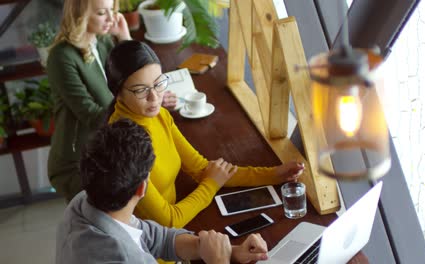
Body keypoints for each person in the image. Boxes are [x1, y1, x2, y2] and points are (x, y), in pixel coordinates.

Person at [105, 40, 306, 228]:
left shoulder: (159, 116)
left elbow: (202, 169)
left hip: (174, 233)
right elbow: (170, 220)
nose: (154, 97)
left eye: (158, 84)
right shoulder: (121, 148)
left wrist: (273, 174)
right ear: (118, 92)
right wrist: (211, 185)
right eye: (141, 90)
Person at [56, 118, 269, 264]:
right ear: (142, 188)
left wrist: (227, 250)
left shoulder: (83, 202)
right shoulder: (127, 258)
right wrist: (219, 261)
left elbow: (153, 237)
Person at [47, 0, 177, 202]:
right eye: (101, 13)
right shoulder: (61, 57)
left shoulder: (102, 40)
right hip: (80, 161)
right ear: (79, 16)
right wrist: (144, 98)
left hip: (109, 146)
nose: (112, 18)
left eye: (112, 10)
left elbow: (129, 76)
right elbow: (91, 115)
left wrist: (124, 37)